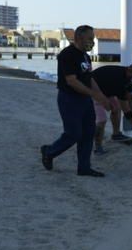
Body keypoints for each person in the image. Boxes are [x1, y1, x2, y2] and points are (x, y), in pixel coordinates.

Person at [40, 25, 111, 177]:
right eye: (90, 38)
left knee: (88, 133)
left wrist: (101, 96)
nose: (92, 41)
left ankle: (84, 167)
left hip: (85, 100)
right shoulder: (68, 55)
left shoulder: (85, 56)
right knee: (73, 134)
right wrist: (93, 94)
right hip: (69, 99)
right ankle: (49, 151)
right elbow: (71, 81)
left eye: (93, 38)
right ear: (79, 37)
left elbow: (88, 78)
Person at [91, 63, 132, 154]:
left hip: (106, 91)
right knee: (101, 120)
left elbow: (129, 97)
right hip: (92, 91)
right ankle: (98, 147)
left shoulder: (131, 78)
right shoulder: (119, 80)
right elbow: (126, 110)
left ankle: (116, 134)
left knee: (116, 109)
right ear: (129, 70)